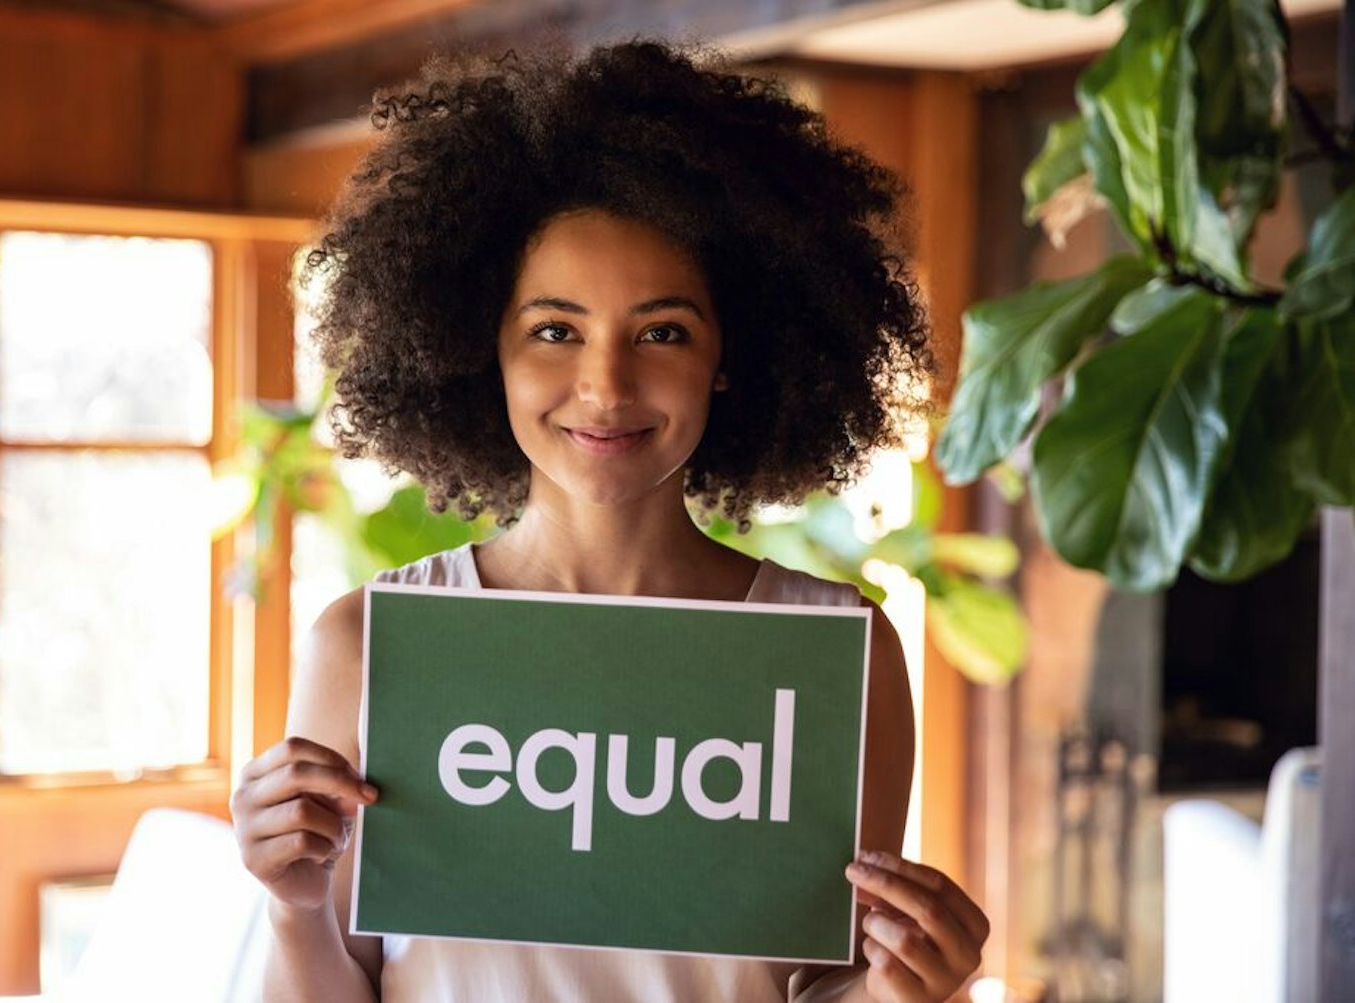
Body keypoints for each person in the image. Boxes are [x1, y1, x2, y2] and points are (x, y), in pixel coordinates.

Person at [231, 39, 989, 1002]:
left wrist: (909, 987)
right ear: (481, 348)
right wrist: (293, 905)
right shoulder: (369, 645)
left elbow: (830, 983)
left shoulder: (838, 652)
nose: (605, 384)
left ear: (731, 354)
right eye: (555, 330)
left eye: (662, 331)